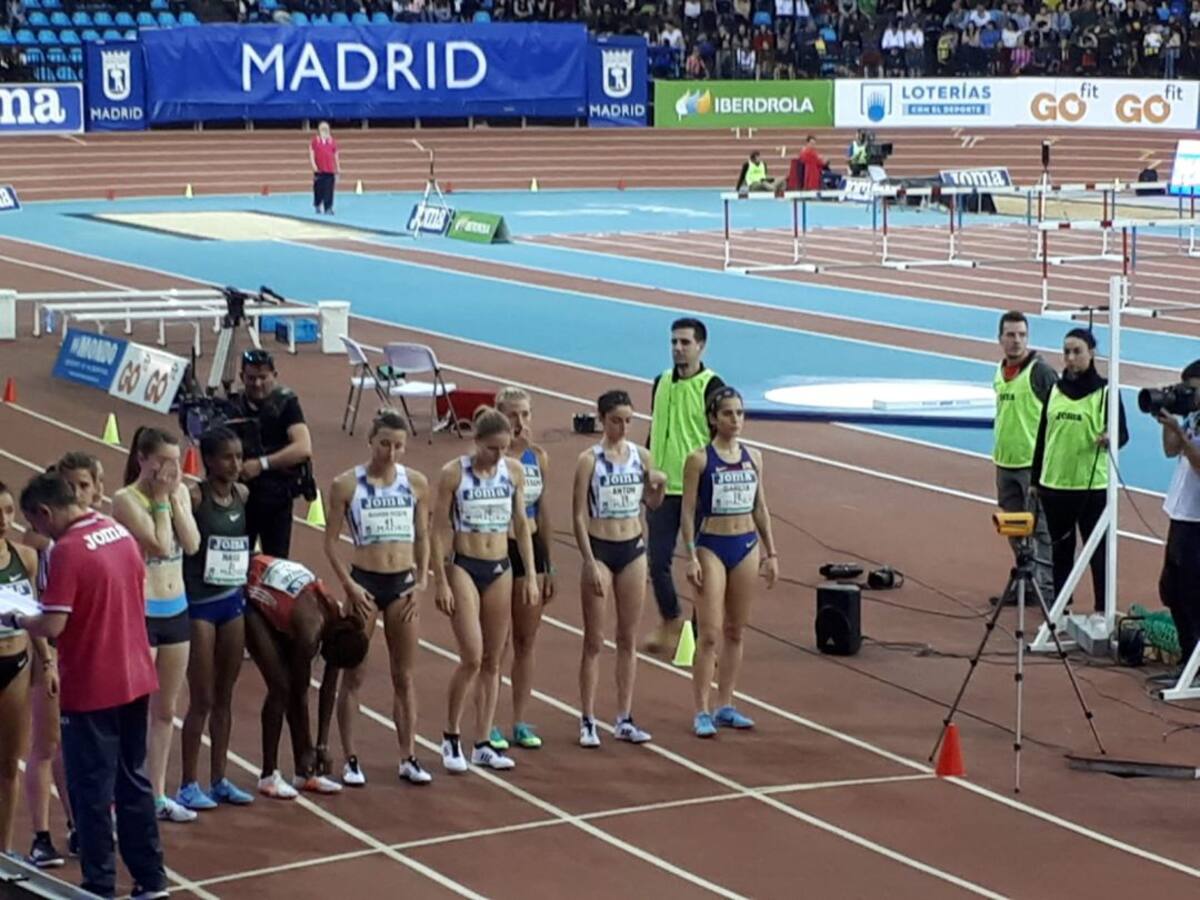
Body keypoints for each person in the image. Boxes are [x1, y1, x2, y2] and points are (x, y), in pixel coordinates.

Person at [11, 472, 167, 900]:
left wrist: (19, 618)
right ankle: (151, 879)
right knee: (134, 782)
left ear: (45, 512)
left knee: (91, 791)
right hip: (135, 674)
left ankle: (99, 886)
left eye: (36, 524)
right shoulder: (117, 531)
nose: (39, 534)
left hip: (93, 683)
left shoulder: (68, 550)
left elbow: (53, 624)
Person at [324, 409, 433, 787]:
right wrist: (350, 586)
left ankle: (409, 756)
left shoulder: (416, 483)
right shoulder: (345, 485)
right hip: (365, 585)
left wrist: (422, 581)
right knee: (354, 674)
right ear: (371, 441)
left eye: (398, 446)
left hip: (402, 585)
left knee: (404, 675)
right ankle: (351, 759)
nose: (391, 452)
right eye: (385, 444)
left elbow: (423, 535)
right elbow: (330, 544)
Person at [431, 407, 538, 773]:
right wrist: (440, 579)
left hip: (500, 568)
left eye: (504, 448)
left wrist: (531, 574)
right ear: (476, 442)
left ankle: (482, 743)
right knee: (472, 657)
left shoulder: (513, 472)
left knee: (493, 660)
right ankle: (450, 736)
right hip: (464, 565)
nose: (498, 455)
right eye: (492, 448)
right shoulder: (453, 474)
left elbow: (521, 525)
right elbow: (438, 530)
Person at [112, 428, 201, 825]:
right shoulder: (125, 500)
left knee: (166, 710)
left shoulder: (179, 492)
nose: (171, 468)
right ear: (143, 459)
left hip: (177, 610)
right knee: (132, 711)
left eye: (176, 460)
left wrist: (176, 500)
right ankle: (123, 795)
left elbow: (192, 543)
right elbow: (160, 545)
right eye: (163, 460)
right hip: (143, 613)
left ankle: (158, 794)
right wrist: (163, 500)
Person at [681, 388, 779, 737]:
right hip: (712, 547)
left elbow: (760, 507)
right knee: (709, 634)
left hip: (746, 545)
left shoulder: (755, 457)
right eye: (727, 413)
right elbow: (687, 512)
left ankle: (725, 704)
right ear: (713, 418)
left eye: (739, 413)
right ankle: (701, 710)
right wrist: (691, 555)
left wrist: (771, 553)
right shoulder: (699, 460)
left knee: (736, 630)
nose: (735, 420)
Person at [572, 391, 666, 747]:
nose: (623, 427)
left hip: (632, 548)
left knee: (627, 637)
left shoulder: (641, 457)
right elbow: (578, 515)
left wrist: (660, 486)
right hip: (600, 548)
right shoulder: (589, 461)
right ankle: (587, 719)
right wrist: (589, 561)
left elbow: (651, 503)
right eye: (616, 421)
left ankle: (624, 717)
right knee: (594, 639)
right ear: (601, 419)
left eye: (628, 421)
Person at [21, 452, 101, 866]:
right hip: (48, 648)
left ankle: (78, 824)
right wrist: (46, 658)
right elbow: (33, 601)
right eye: (71, 487)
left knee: (75, 747)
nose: (78, 494)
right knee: (47, 743)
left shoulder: (91, 534)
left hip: (79, 649)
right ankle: (40, 836)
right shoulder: (40, 541)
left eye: (84, 486)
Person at [243, 554, 369, 799]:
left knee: (288, 686)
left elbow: (328, 689)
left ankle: (304, 774)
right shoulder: (310, 632)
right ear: (329, 649)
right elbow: (299, 695)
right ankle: (268, 775)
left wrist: (322, 745)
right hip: (249, 597)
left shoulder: (338, 620)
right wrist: (310, 749)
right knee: (281, 687)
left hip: (285, 600)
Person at [178, 427, 255, 810]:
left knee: (225, 696)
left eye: (239, 456)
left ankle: (220, 778)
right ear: (209, 460)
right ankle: (188, 784)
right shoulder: (195, 497)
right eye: (227, 457)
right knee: (202, 698)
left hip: (231, 602)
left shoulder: (242, 494)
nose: (236, 463)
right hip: (200, 605)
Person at [1030, 328, 1129, 622]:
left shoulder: (1107, 391)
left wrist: (1110, 438)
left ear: (1091, 353)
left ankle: (1102, 609)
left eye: (1077, 351)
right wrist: (1035, 480)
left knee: (1098, 551)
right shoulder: (1054, 390)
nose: (1071, 358)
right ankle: (1061, 608)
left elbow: (1122, 434)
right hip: (1054, 485)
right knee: (1061, 551)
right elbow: (1042, 436)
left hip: (1091, 486)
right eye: (1067, 352)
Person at [645, 317, 724, 656]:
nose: (678, 348)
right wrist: (647, 472)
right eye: (674, 342)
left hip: (698, 491)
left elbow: (721, 438)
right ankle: (672, 621)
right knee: (657, 561)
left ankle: (700, 639)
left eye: (685, 342)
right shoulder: (660, 382)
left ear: (700, 346)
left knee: (702, 566)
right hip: (663, 488)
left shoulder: (712, 386)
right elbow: (655, 429)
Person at [496, 387, 554, 751]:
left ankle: (519, 720)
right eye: (512, 415)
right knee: (496, 643)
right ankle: (489, 722)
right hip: (497, 547)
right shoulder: (491, 459)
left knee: (525, 640)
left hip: (530, 547)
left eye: (525, 414)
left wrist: (548, 565)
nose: (520, 422)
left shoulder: (538, 457)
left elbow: (543, 511)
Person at [992, 311, 1057, 607]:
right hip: (1005, 462)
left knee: (1041, 530)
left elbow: (1058, 410)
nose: (1016, 340)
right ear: (1000, 339)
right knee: (1015, 527)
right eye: (1010, 335)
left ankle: (1048, 591)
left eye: (1021, 335)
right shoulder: (1000, 371)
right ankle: (1027, 584)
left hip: (1032, 466)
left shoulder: (1040, 372)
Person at [236, 348, 314, 559]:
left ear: (274, 376)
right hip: (240, 498)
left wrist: (261, 464)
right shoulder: (233, 405)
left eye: (263, 377)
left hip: (277, 497)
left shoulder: (286, 403)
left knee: (276, 564)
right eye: (251, 378)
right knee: (237, 560)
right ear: (242, 377)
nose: (257, 384)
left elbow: (303, 448)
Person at [0, 483, 39, 860]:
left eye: (9, 511)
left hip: (17, 663)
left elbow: (35, 614)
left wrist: (48, 661)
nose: (3, 520)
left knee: (9, 763)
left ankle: (5, 848)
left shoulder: (25, 557)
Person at [1156, 360, 1200, 682]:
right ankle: (1188, 658)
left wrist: (1182, 437)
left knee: (1192, 593)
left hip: (1197, 520)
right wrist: (1167, 420)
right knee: (1171, 589)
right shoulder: (1194, 417)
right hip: (1181, 513)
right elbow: (1170, 451)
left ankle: (1195, 664)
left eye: (1193, 389)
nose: (1188, 395)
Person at [310, 120, 340, 215]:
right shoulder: (315, 141)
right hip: (319, 170)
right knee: (318, 189)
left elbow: (336, 155)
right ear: (319, 130)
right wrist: (313, 165)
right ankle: (317, 204)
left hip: (329, 170)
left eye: (326, 129)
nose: (325, 131)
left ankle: (328, 207)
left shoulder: (332, 141)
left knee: (329, 190)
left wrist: (338, 167)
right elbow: (312, 153)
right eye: (322, 129)